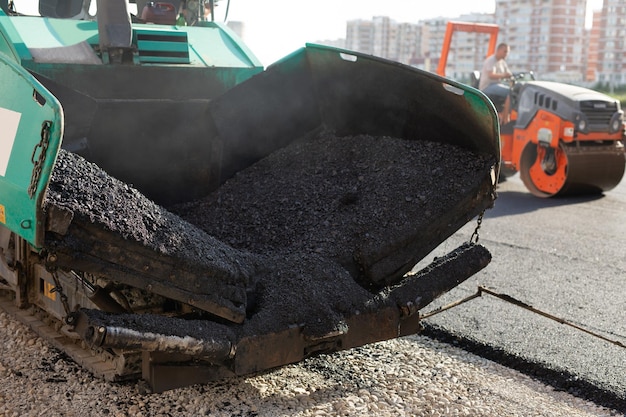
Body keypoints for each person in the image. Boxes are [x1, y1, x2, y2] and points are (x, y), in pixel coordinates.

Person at [479, 43, 513, 123]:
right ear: (498, 50)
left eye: (507, 52)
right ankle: (505, 120)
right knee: (510, 92)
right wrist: (504, 75)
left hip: (497, 85)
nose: (506, 54)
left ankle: (504, 116)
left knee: (514, 91)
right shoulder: (491, 60)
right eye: (505, 51)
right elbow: (491, 75)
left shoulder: (502, 63)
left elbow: (508, 73)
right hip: (487, 86)